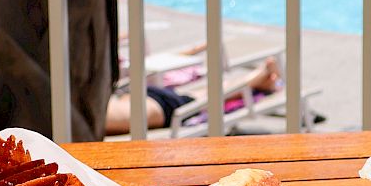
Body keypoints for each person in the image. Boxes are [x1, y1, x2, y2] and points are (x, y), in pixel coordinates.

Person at [103, 57, 281, 136]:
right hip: (145, 102)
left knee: (198, 98)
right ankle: (253, 80)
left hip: (156, 105)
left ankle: (253, 80)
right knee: (197, 96)